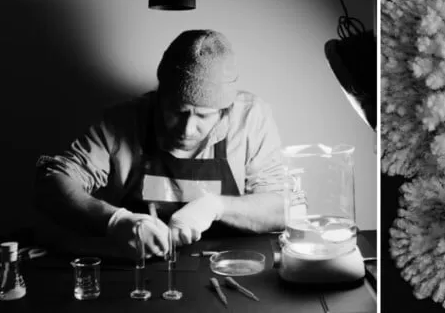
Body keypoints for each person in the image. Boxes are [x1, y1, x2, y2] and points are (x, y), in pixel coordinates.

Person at [34, 29, 301, 259]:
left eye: (204, 116)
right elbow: (52, 183)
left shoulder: (249, 118)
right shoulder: (125, 120)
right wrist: (116, 221)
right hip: (141, 267)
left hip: (226, 265)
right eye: (177, 111)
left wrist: (216, 207)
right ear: (159, 97)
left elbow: (284, 208)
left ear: (224, 110)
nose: (187, 129)